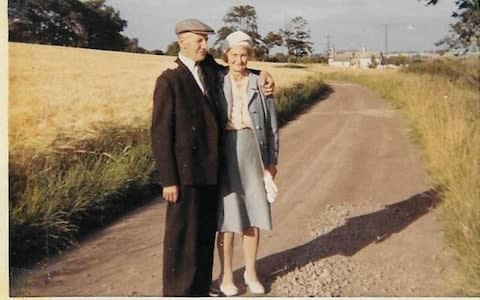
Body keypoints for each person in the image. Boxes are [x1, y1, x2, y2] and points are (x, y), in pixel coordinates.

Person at [151, 20, 275, 297]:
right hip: (184, 173)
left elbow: (236, 69)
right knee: (182, 235)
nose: (206, 46)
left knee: (205, 232)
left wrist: (262, 73)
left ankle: (199, 287)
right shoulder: (169, 78)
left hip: (209, 168)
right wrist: (168, 179)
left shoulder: (207, 68)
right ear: (182, 42)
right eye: (200, 41)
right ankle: (178, 292)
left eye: (206, 40)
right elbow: (160, 134)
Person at [215, 31, 279, 296]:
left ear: (249, 57)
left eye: (244, 55)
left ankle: (251, 272)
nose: (239, 60)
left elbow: (273, 126)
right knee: (228, 216)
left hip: (254, 150)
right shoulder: (217, 81)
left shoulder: (259, 83)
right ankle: (226, 275)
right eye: (234, 55)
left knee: (253, 213)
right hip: (225, 151)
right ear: (226, 56)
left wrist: (272, 161)